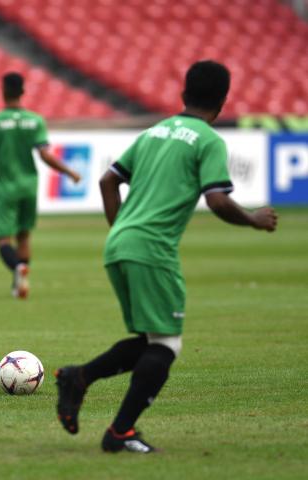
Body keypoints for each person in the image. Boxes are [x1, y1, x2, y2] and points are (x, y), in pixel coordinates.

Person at [55, 60, 278, 453]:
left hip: (119, 243)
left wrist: (121, 231)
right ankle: (120, 432)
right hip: (151, 248)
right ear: (223, 101)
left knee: (147, 339)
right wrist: (254, 220)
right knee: (166, 345)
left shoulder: (153, 132)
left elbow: (109, 180)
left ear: (183, 93)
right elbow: (217, 199)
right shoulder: (208, 140)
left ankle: (78, 377)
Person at [0, 72, 81, 299]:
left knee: (3, 238)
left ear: (3, 90)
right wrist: (69, 171)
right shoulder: (35, 120)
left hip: (5, 185)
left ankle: (17, 268)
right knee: (24, 235)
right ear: (23, 92)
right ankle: (20, 282)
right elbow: (45, 154)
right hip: (29, 185)